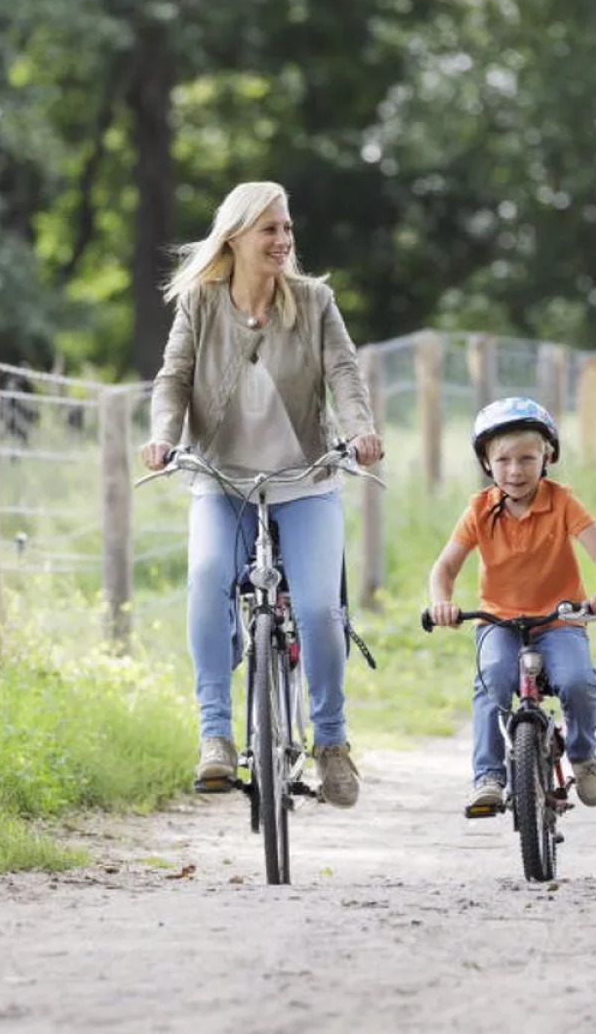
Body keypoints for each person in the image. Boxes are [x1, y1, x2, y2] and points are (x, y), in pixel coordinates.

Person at [139, 181, 383, 809]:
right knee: (207, 574)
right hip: (224, 481)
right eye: (270, 229)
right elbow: (173, 379)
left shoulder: (314, 301)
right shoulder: (199, 302)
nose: (283, 241)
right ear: (236, 236)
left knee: (322, 610)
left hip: (305, 479)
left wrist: (359, 430)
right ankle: (215, 735)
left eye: (288, 229)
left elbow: (344, 374)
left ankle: (331, 743)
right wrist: (163, 437)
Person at [426, 397, 596, 812]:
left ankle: (583, 756)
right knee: (492, 679)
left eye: (527, 459)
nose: (515, 471)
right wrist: (441, 602)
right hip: (498, 621)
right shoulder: (479, 510)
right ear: (486, 462)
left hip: (560, 621)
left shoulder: (562, 502)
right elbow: (444, 567)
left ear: (547, 455)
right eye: (504, 460)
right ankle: (488, 777)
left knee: (576, 682)